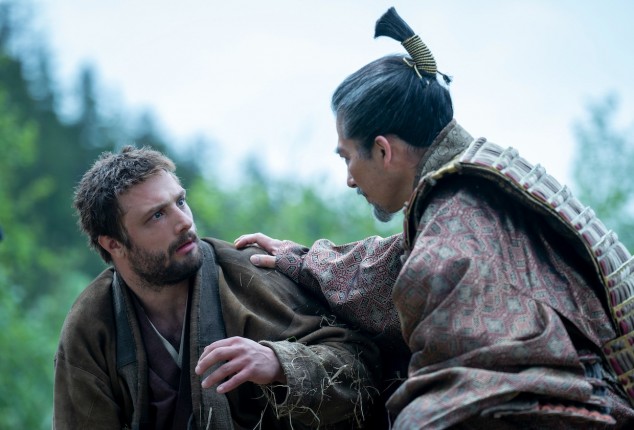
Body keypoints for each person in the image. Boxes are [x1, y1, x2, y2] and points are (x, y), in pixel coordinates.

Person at [235, 7, 634, 429]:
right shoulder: (467, 191)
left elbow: (468, 381)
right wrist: (301, 260)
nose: (349, 179)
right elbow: (393, 265)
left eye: (347, 157)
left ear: (383, 151)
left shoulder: (453, 230)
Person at [52, 146, 384, 430]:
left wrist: (280, 364)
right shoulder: (92, 326)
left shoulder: (249, 275)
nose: (184, 221)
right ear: (113, 244)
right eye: (157, 216)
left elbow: (363, 368)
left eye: (180, 202)